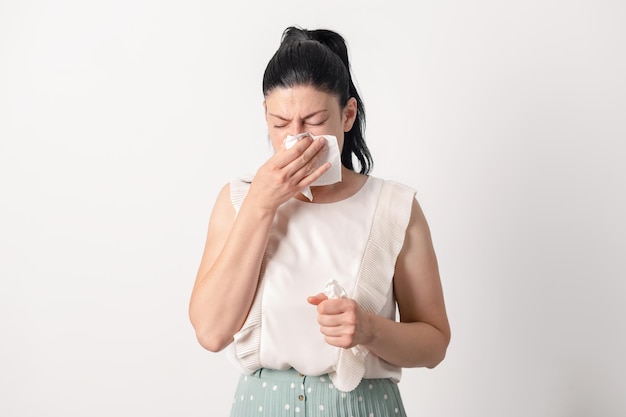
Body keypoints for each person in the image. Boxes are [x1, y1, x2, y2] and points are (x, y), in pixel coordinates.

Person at [189, 26, 451, 417]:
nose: (296, 138)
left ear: (347, 115)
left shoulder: (394, 207)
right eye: (280, 123)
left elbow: (434, 344)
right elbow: (210, 333)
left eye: (312, 121)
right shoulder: (237, 201)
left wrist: (370, 330)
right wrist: (261, 205)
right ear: (265, 115)